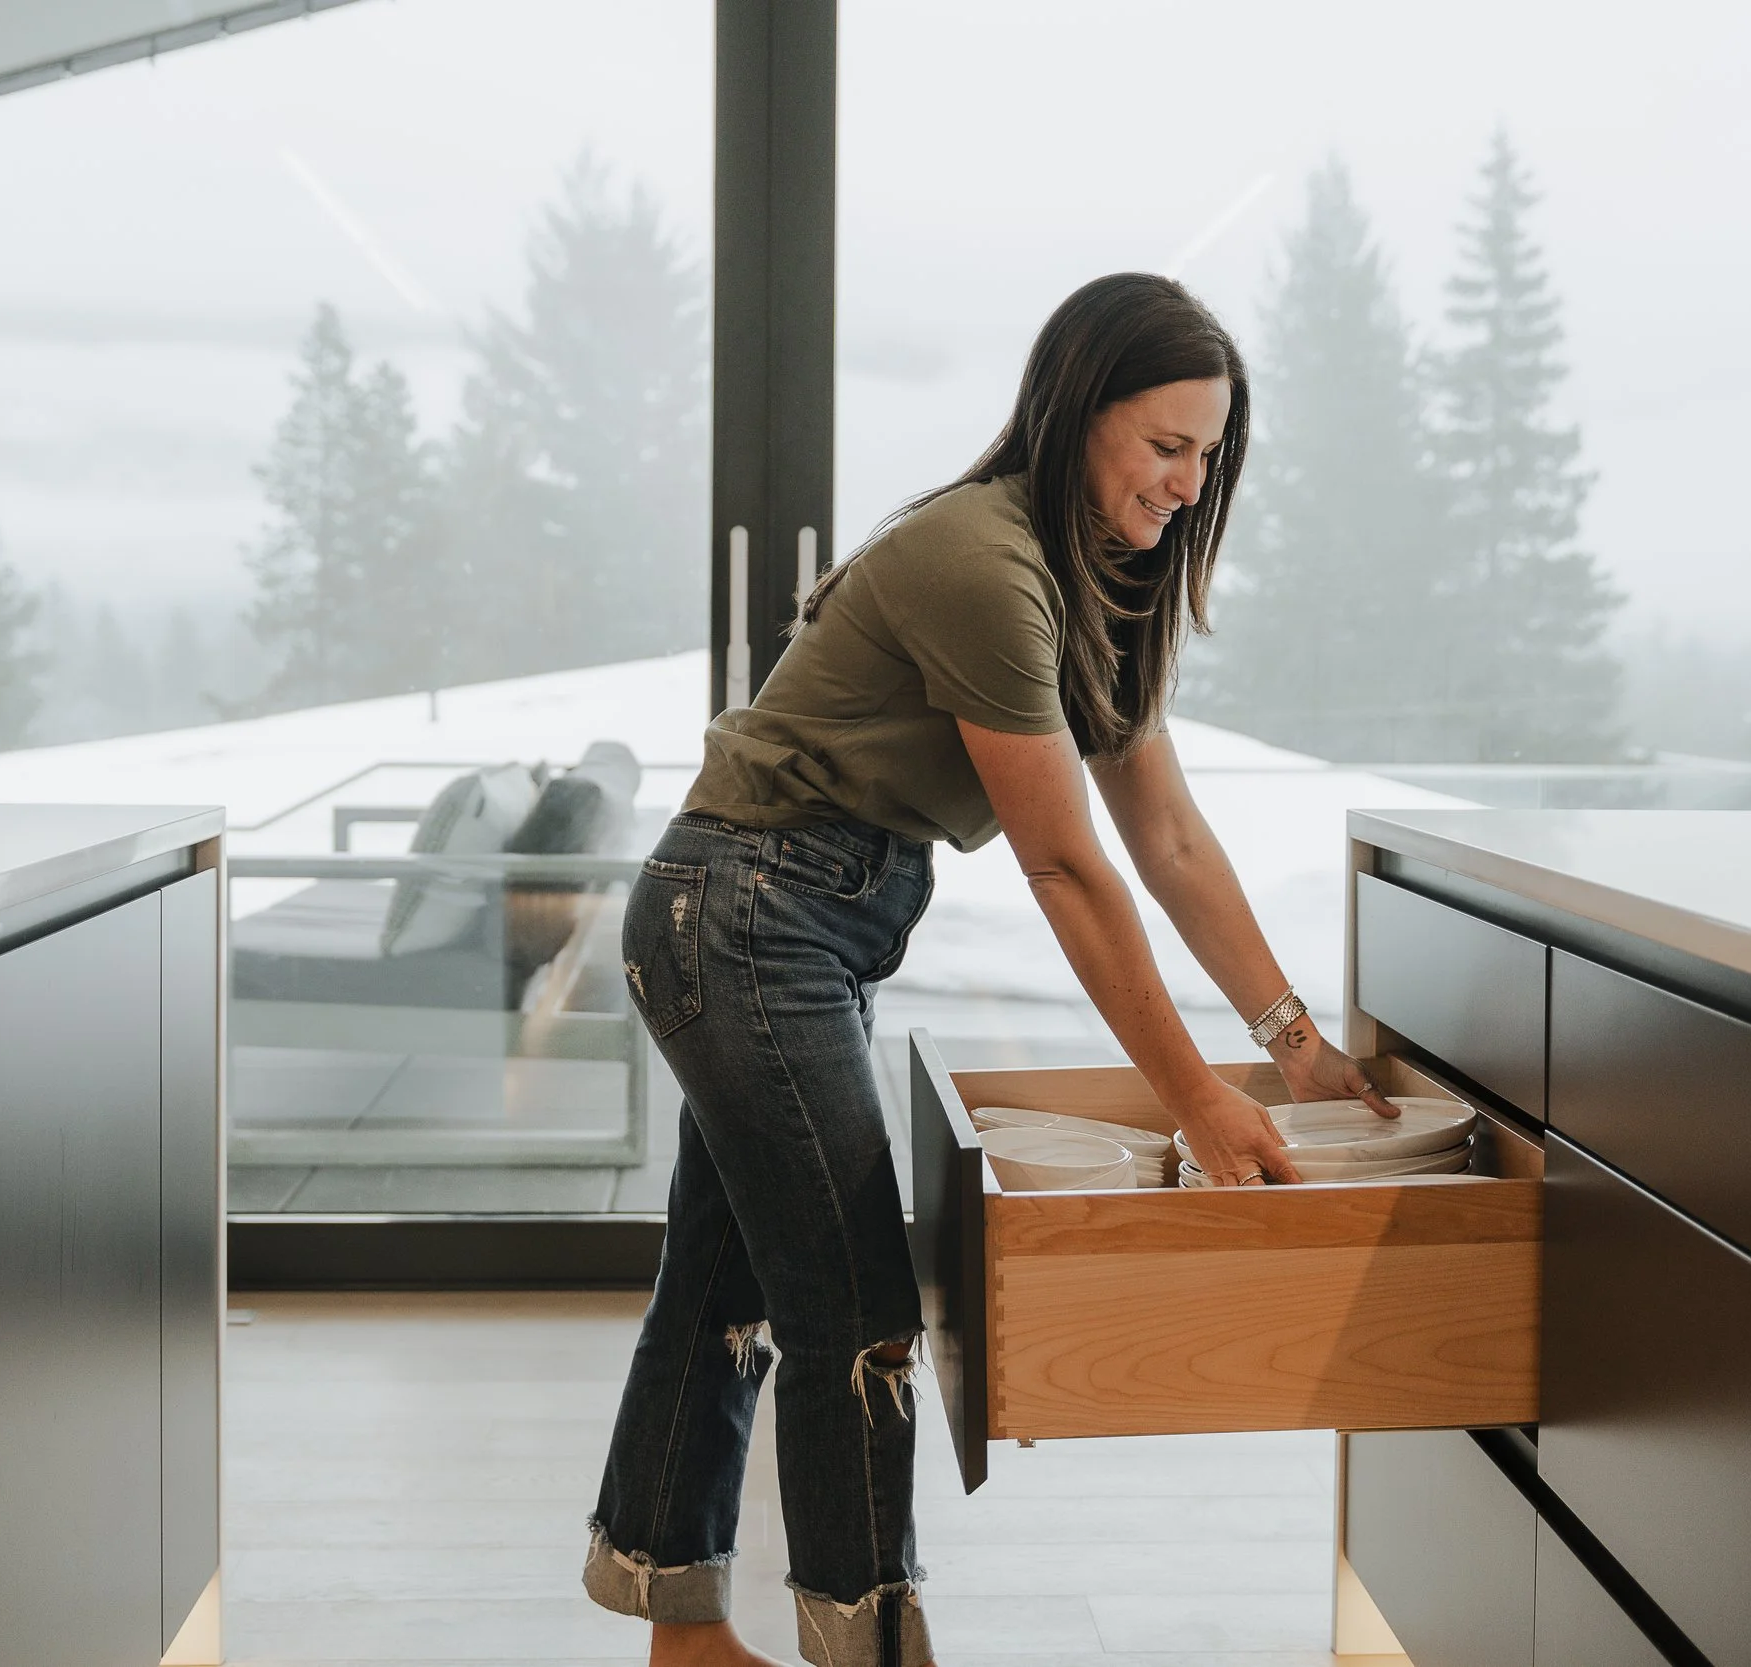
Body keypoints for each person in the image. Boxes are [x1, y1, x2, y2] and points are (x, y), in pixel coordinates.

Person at [583, 272, 1398, 1667]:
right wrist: (1197, 1096)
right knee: (853, 1302)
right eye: (1164, 446)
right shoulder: (982, 561)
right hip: (743, 911)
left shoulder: (1101, 587)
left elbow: (1170, 836)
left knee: (729, 1275)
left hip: (787, 916)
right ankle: (873, 1650)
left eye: (1210, 454)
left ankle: (679, 1634)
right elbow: (1069, 867)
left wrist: (1292, 1035)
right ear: (1079, 415)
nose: (1190, 484)